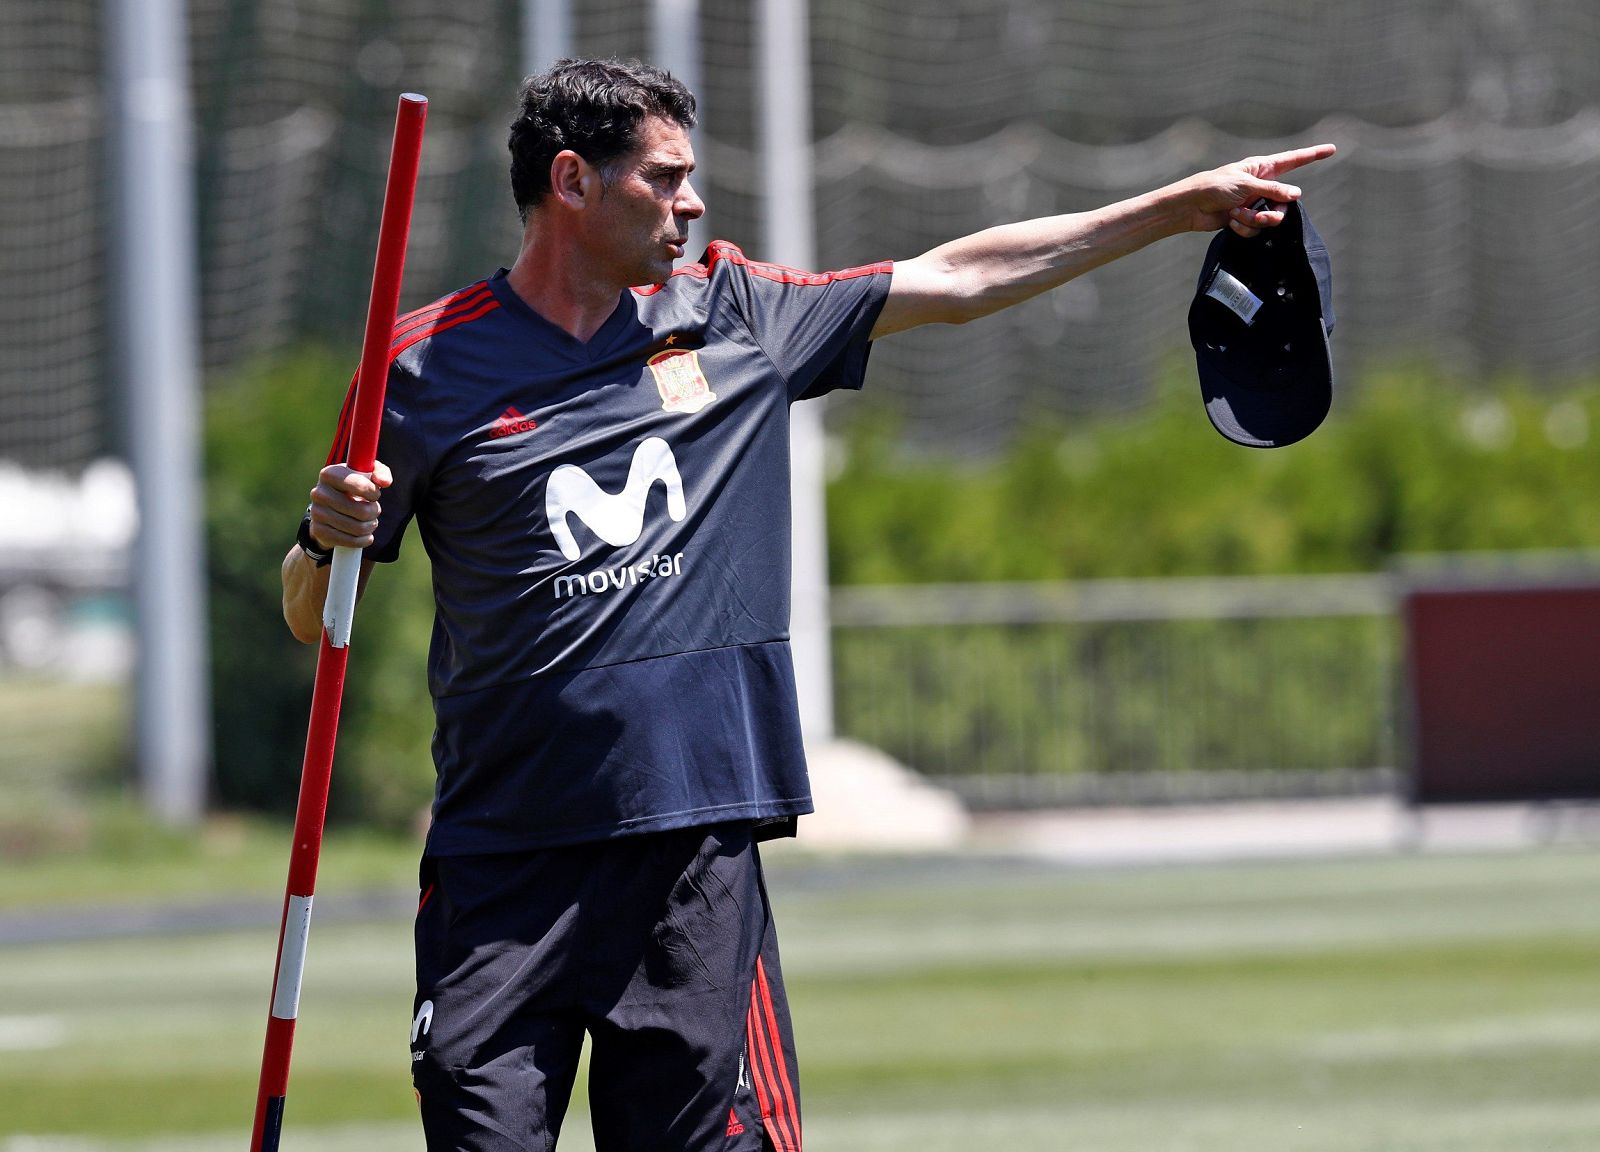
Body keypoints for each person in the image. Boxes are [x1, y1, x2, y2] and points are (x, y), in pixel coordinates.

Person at [282, 57, 1334, 1152]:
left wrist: (1174, 211)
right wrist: (324, 539)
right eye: (666, 176)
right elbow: (312, 611)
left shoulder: (735, 314)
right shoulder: (415, 370)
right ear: (573, 181)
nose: (691, 202)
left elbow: (958, 279)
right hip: (501, 867)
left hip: (690, 868)